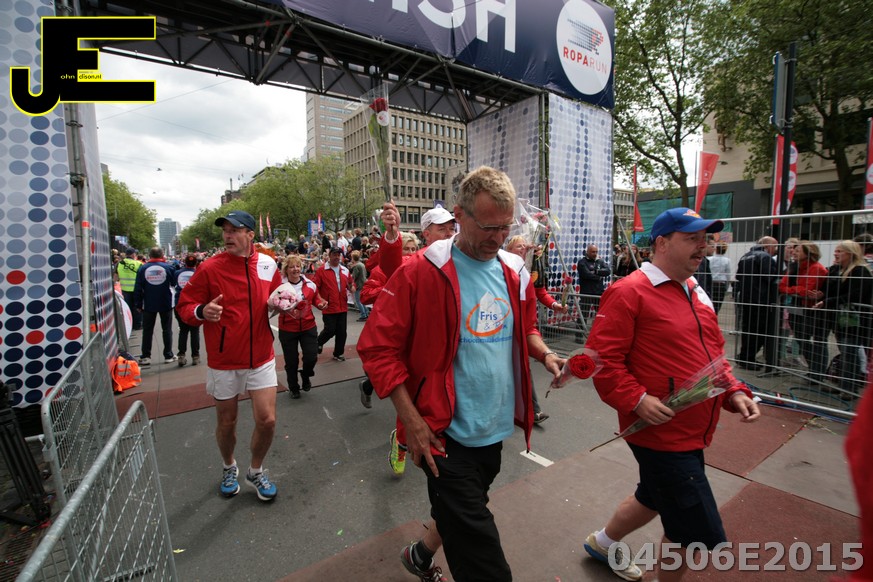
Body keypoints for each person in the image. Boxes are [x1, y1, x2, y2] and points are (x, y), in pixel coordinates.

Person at [358, 166, 564, 582]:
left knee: (460, 511)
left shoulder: (514, 271)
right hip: (441, 434)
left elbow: (526, 328)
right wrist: (412, 423)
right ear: (460, 215)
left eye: (505, 227)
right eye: (488, 227)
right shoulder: (420, 271)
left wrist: (545, 354)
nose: (498, 237)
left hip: (493, 429)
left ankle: (420, 554)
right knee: (482, 556)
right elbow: (378, 348)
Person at [580, 207, 760, 582]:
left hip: (690, 431)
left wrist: (734, 392)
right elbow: (602, 361)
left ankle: (603, 543)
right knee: (690, 532)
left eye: (704, 239)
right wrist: (637, 399)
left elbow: (714, 357)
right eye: (692, 238)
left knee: (652, 496)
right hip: (660, 434)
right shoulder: (628, 292)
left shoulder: (696, 291)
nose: (703, 246)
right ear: (662, 243)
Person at [176, 210, 281, 502]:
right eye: (225, 231)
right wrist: (201, 311)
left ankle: (255, 470)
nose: (228, 236)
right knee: (227, 422)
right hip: (224, 360)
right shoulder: (210, 268)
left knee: (267, 420)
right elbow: (185, 306)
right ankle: (228, 466)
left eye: (234, 230)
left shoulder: (268, 264)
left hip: (261, 356)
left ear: (250, 234)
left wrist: (285, 305)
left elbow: (278, 297)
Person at [505, 234, 570, 424]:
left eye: (525, 246)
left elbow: (540, 293)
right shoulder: (498, 270)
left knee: (523, 369)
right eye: (519, 246)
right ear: (508, 250)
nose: (524, 249)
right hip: (498, 337)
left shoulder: (530, 272)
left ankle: (532, 411)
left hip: (522, 333)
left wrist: (555, 305)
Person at [811, 241, 873, 397]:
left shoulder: (860, 271)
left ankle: (849, 388)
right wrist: (822, 294)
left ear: (851, 253)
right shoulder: (837, 270)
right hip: (841, 319)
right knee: (845, 352)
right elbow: (829, 289)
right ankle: (844, 385)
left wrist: (828, 301)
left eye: (840, 251)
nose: (835, 254)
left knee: (849, 352)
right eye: (836, 251)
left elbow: (855, 295)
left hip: (855, 321)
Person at [777, 241, 828, 377]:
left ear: (809, 253)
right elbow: (782, 286)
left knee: (814, 341)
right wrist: (798, 290)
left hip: (812, 310)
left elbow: (808, 290)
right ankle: (815, 370)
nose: (793, 253)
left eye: (797, 250)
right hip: (797, 308)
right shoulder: (795, 267)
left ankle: (817, 371)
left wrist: (794, 290)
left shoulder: (817, 268)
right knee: (801, 339)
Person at [277, 255, 322, 399]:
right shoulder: (279, 286)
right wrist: (280, 306)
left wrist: (321, 304)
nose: (295, 269)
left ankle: (306, 374)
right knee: (291, 361)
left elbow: (316, 299)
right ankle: (293, 387)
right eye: (291, 267)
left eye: (297, 266)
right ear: (286, 269)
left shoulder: (310, 284)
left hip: (308, 326)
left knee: (311, 357)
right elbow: (272, 303)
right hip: (287, 329)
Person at [734, 236, 779, 370]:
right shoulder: (765, 257)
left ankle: (745, 357)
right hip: (761, 300)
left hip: (747, 299)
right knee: (759, 331)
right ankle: (748, 358)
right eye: (775, 246)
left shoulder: (745, 256)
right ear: (767, 246)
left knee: (748, 329)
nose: (776, 250)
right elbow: (771, 277)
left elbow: (739, 276)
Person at [134, 246, 177, 367]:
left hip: (148, 303)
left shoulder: (143, 268)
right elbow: (174, 283)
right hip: (165, 302)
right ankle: (168, 355)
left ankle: (146, 356)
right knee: (167, 329)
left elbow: (138, 288)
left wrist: (138, 304)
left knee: (147, 330)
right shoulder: (168, 267)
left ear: (150, 255)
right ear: (162, 255)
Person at [312, 247, 354, 361]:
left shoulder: (345, 270)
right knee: (330, 330)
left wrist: (352, 287)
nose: (336, 257)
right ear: (329, 256)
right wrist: (320, 300)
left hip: (342, 306)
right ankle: (319, 342)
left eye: (338, 255)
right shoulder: (321, 270)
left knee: (341, 332)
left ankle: (338, 353)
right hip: (329, 306)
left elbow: (350, 283)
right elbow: (315, 288)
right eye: (334, 254)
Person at [174, 253, 201, 367]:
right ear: (196, 263)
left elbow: (173, 284)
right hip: (194, 304)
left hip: (180, 304)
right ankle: (195, 356)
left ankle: (181, 355)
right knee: (195, 331)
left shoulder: (177, 273)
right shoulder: (199, 273)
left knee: (183, 330)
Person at [117, 248, 143, 330]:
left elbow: (115, 277)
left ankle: (129, 325)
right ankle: (137, 325)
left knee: (128, 307)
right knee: (137, 307)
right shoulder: (138, 263)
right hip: (136, 289)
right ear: (133, 254)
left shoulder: (120, 263)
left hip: (125, 289)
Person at [708, 241, 731, 315]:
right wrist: (727, 286)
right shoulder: (727, 260)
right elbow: (728, 274)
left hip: (711, 283)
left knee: (709, 302)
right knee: (717, 305)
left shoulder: (709, 259)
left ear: (716, 249)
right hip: (721, 284)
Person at [349, 250, 369, 321]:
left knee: (358, 301)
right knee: (362, 300)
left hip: (358, 284)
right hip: (363, 283)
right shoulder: (362, 264)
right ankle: (366, 313)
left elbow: (354, 276)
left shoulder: (356, 266)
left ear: (353, 258)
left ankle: (363, 315)